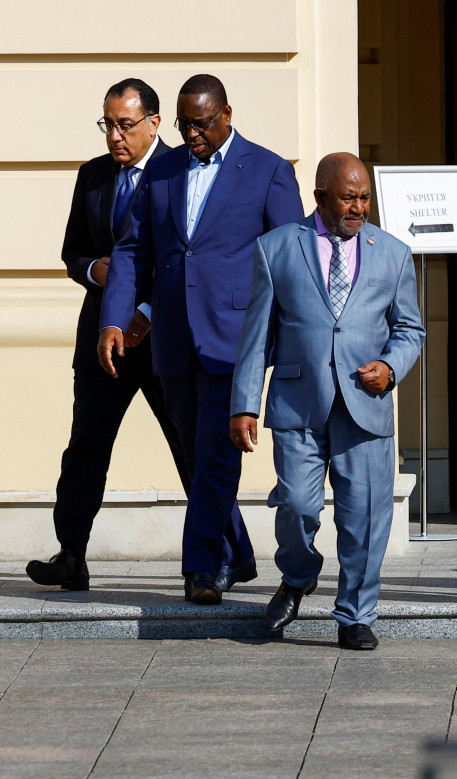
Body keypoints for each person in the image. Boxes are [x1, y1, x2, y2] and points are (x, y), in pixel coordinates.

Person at [98, 74, 304, 605]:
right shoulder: (163, 169)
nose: (192, 134)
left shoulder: (267, 170)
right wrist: (115, 320)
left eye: (202, 123)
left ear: (227, 115)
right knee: (196, 458)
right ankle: (236, 554)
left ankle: (202, 568)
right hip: (172, 338)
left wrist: (288, 343)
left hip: (235, 341)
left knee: (215, 455)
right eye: (186, 124)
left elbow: (290, 261)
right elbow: (132, 251)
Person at [230, 153, 424, 651]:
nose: (358, 207)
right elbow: (256, 337)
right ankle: (298, 575)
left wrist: (392, 366)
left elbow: (409, 330)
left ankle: (355, 615)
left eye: (364, 197)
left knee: (364, 516)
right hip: (299, 401)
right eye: (348, 197)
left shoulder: (394, 253)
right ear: (320, 196)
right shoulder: (276, 248)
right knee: (295, 504)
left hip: (365, 403)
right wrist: (244, 403)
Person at [26, 79, 189, 591]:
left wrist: (142, 306)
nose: (115, 136)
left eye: (126, 125)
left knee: (192, 447)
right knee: (86, 448)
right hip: (103, 340)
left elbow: (186, 254)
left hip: (162, 336)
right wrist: (96, 272)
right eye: (108, 125)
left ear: (155, 124)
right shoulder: (94, 176)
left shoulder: (181, 171)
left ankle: (220, 556)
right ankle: (71, 554)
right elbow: (73, 251)